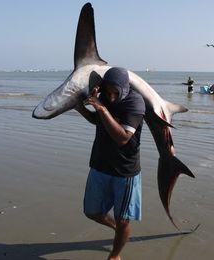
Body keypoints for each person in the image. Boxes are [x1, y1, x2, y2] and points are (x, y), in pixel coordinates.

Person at [75, 67, 145, 260]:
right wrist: (80, 106)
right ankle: (118, 229)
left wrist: (101, 107)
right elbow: (97, 120)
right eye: (108, 92)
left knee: (124, 220)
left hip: (125, 172)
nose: (112, 97)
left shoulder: (135, 103)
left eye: (116, 93)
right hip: (99, 165)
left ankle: (114, 255)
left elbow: (122, 138)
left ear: (125, 88)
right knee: (92, 212)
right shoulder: (103, 97)